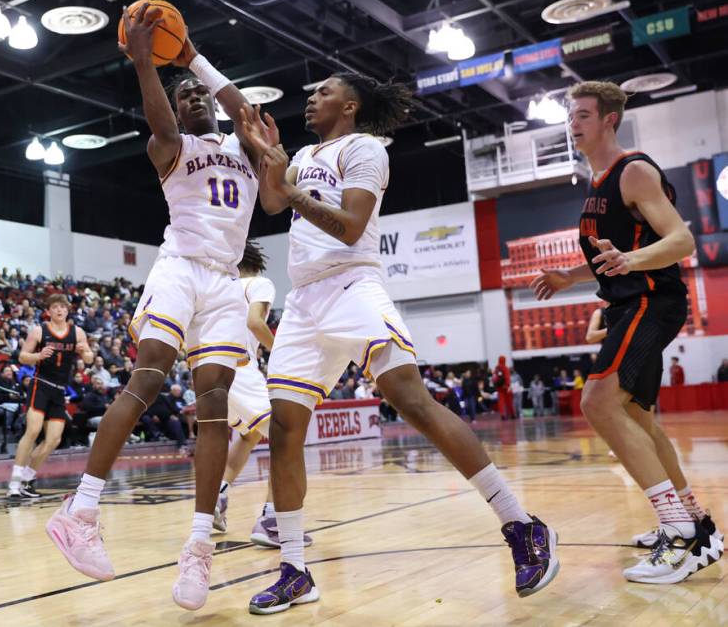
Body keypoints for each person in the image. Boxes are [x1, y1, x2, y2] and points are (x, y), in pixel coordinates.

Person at [238, 72, 558, 614]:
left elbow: (350, 225)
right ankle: (294, 568)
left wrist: (288, 184)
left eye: (323, 91)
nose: (310, 96)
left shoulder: (364, 149)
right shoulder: (306, 154)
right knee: (286, 428)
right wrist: (265, 153)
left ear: (351, 104)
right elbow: (272, 203)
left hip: (351, 285)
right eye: (309, 90)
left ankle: (520, 524)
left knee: (412, 402)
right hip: (306, 301)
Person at [45, 10, 266, 612]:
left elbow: (242, 109)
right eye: (184, 94)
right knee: (146, 381)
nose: (194, 95)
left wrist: (191, 53)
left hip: (224, 283)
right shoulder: (169, 145)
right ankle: (81, 509)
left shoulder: (245, 148)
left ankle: (198, 546)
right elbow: (161, 117)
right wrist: (147, 63)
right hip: (180, 269)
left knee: (216, 407)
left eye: (199, 91)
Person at [531, 80, 722, 583]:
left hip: (649, 302)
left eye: (583, 115)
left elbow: (682, 238)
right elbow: (607, 261)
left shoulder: (632, 171)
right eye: (570, 116)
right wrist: (568, 276)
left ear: (610, 119)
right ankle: (698, 525)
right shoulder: (596, 183)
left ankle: (677, 533)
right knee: (638, 418)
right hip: (629, 304)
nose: (573, 124)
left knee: (596, 402)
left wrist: (631, 260)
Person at [212, 240, 301, 549]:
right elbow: (254, 322)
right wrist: (280, 352)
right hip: (239, 370)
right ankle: (271, 520)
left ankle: (217, 494)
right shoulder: (259, 283)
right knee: (285, 438)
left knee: (249, 435)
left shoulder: (218, 289)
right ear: (256, 263)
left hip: (209, 374)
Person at [8, 294, 92, 498]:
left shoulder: (77, 332)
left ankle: (27, 479)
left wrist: (84, 352)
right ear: (49, 310)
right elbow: (22, 356)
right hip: (41, 385)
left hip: (59, 390)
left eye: (63, 307)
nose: (59, 310)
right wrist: (37, 356)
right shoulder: (39, 330)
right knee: (33, 431)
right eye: (55, 307)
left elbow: (89, 358)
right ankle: (14, 484)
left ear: (67, 310)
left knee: (54, 439)